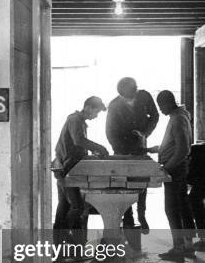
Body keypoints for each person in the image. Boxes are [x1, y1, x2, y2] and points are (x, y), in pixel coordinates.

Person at [53, 96, 109, 244]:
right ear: (88, 107)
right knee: (77, 206)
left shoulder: (79, 121)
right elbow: (78, 140)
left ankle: (58, 240)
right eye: (96, 112)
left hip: (68, 168)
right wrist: (99, 148)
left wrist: (90, 153)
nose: (96, 116)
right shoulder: (75, 119)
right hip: (66, 168)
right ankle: (64, 235)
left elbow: (78, 145)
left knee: (64, 206)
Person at [105, 77, 159, 233]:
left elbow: (154, 116)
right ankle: (128, 218)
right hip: (122, 150)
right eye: (131, 90)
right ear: (122, 93)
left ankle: (142, 216)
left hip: (141, 147)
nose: (135, 91)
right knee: (124, 183)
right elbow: (109, 132)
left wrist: (145, 134)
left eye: (136, 88)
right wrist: (121, 150)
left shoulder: (144, 96)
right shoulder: (114, 106)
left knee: (143, 181)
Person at [150, 90, 195, 261]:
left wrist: (166, 168)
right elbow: (175, 143)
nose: (160, 110)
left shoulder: (177, 119)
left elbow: (183, 149)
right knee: (182, 206)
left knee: (172, 208)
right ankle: (188, 246)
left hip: (175, 169)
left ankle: (179, 248)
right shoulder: (178, 116)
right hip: (177, 168)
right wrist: (157, 149)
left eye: (161, 106)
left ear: (169, 103)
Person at [187, 142, 205, 251]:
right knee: (195, 201)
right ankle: (203, 237)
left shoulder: (194, 155)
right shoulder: (193, 151)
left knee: (194, 201)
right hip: (203, 169)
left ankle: (204, 238)